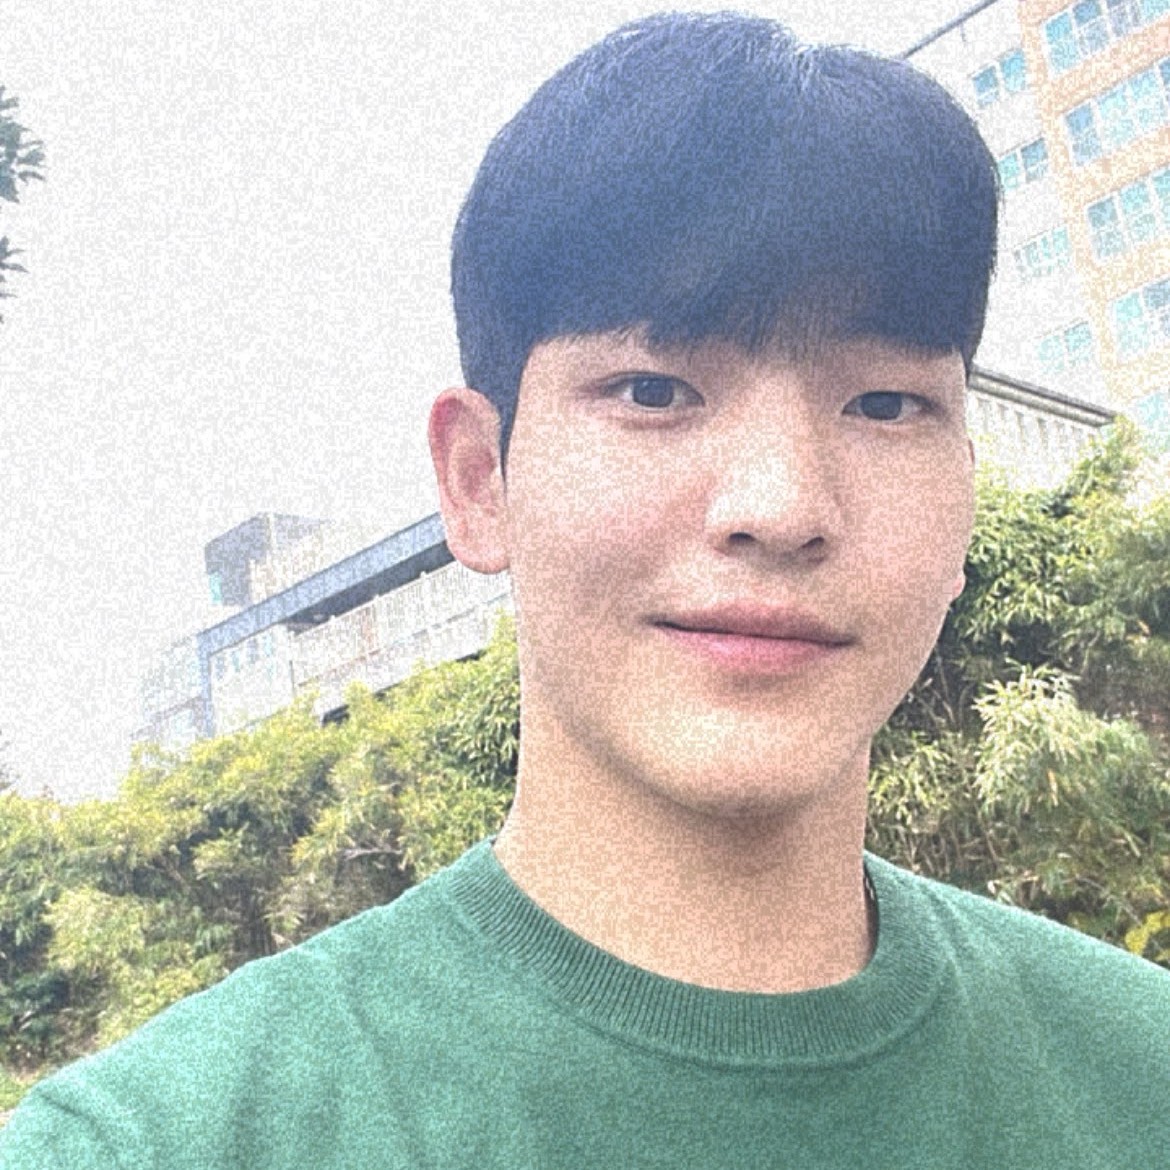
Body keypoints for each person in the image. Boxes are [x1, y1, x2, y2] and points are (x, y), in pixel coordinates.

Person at [3, 11, 1168, 1168]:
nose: (780, 507)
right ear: (478, 481)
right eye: (654, 391)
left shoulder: (1141, 1074)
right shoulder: (162, 1142)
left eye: (884, 404)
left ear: (965, 491)